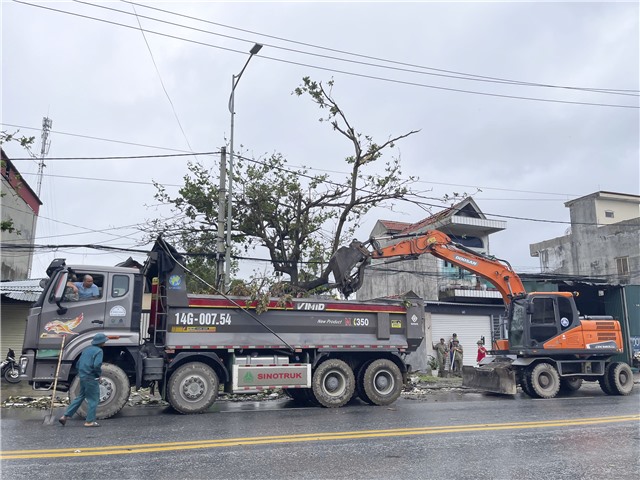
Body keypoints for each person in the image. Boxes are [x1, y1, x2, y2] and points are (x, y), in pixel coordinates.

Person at [59, 333, 107, 427]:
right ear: (101, 342)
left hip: (83, 376)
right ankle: (89, 421)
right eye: (104, 341)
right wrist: (98, 375)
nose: (105, 342)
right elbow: (97, 365)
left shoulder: (86, 349)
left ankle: (65, 416)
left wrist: (82, 373)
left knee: (80, 396)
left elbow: (78, 364)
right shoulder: (99, 351)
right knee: (93, 399)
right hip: (91, 377)